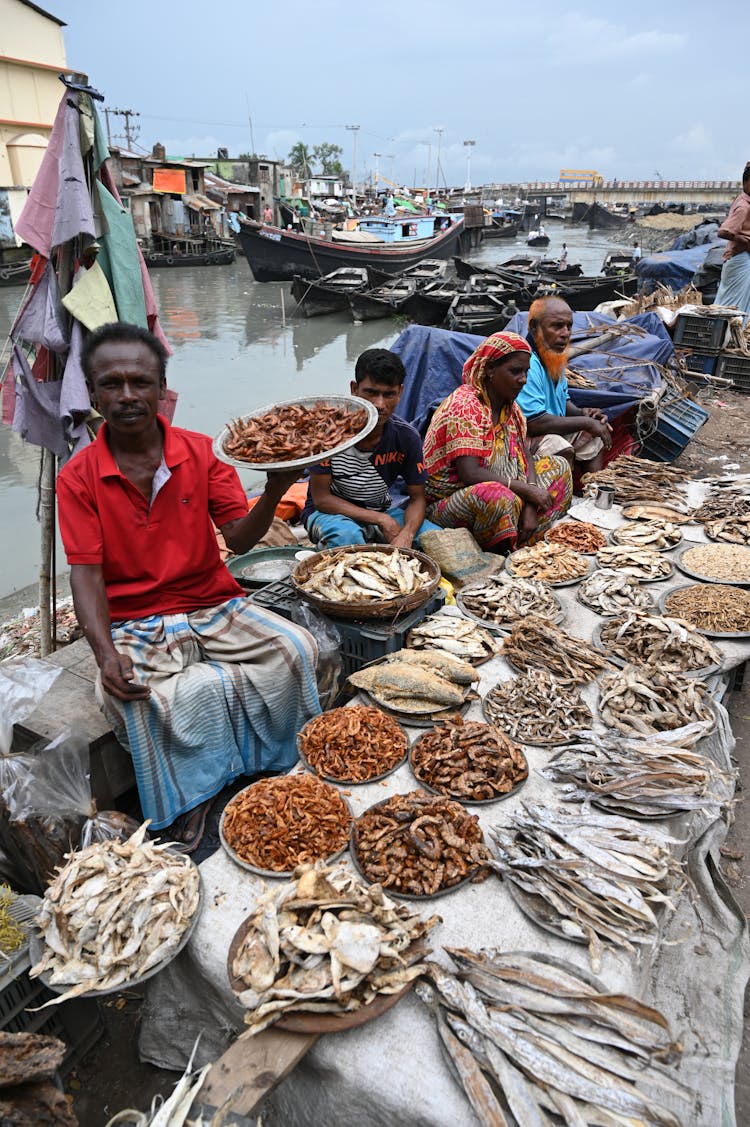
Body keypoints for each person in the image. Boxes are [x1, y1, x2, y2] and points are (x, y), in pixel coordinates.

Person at [56, 323, 320, 849]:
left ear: (161, 388)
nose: (128, 395)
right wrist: (105, 654)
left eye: (140, 382)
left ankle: (275, 762)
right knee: (132, 699)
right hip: (134, 618)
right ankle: (189, 798)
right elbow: (84, 572)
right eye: (112, 384)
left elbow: (240, 540)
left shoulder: (202, 453)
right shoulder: (78, 477)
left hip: (212, 602)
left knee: (297, 648)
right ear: (91, 393)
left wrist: (273, 489)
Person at [422, 332, 572, 552]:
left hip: (507, 487)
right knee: (497, 496)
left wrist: (530, 502)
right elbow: (470, 474)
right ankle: (502, 550)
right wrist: (526, 491)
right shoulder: (466, 406)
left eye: (526, 372)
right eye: (515, 371)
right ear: (490, 369)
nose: (523, 379)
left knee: (559, 467)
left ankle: (526, 538)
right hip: (451, 501)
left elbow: (525, 454)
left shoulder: (511, 408)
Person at [302, 348, 439, 550]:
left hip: (382, 513)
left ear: (400, 392)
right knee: (347, 537)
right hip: (328, 514)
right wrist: (381, 519)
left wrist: (407, 534)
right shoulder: (327, 432)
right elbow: (321, 499)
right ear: (354, 389)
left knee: (435, 538)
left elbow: (418, 498)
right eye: (371, 393)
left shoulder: (407, 437)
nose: (379, 404)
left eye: (389, 394)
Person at [517, 296, 613, 473]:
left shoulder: (553, 355)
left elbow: (562, 401)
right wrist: (585, 422)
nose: (565, 333)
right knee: (559, 446)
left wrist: (584, 413)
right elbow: (534, 423)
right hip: (522, 439)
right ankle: (562, 498)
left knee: (595, 435)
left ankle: (592, 492)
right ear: (533, 327)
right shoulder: (525, 363)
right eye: (557, 326)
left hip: (548, 428)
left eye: (569, 326)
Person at [715, 162, 750, 321]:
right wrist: (740, 238)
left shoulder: (743, 200)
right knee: (731, 306)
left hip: (741, 258)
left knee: (738, 303)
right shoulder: (744, 206)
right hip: (740, 258)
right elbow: (724, 231)